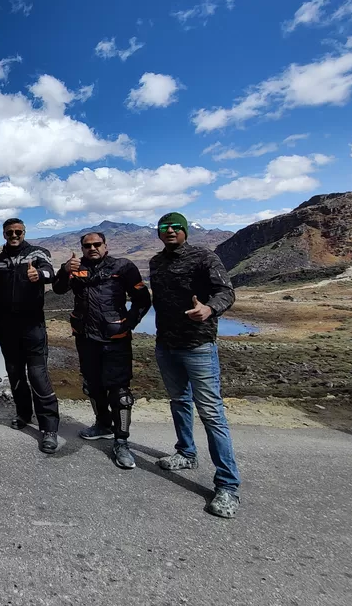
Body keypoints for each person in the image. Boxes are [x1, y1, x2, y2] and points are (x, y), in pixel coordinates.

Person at [150, 211, 242, 519]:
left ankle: (228, 486)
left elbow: (226, 292)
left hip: (198, 346)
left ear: (185, 230)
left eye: (176, 227)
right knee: (179, 401)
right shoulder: (155, 262)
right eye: (165, 227)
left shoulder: (205, 257)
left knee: (211, 412)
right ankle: (186, 453)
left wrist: (209, 309)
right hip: (166, 345)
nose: (170, 231)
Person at [52, 232, 151, 469]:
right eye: (88, 245)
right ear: (82, 248)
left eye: (97, 244)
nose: (92, 248)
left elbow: (142, 299)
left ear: (106, 246)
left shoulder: (123, 266)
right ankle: (102, 424)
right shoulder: (76, 267)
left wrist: (128, 323)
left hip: (115, 340)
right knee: (92, 385)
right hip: (86, 338)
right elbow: (57, 289)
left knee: (120, 392)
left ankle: (122, 441)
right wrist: (65, 270)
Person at [0, 218, 60, 453]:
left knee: (38, 375)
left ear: (24, 231)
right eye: (9, 232)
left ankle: (49, 427)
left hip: (32, 326)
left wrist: (38, 275)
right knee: (15, 374)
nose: (14, 235)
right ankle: (23, 414)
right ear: (3, 233)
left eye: (18, 231)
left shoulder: (38, 252)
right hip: (8, 327)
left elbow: (50, 273)